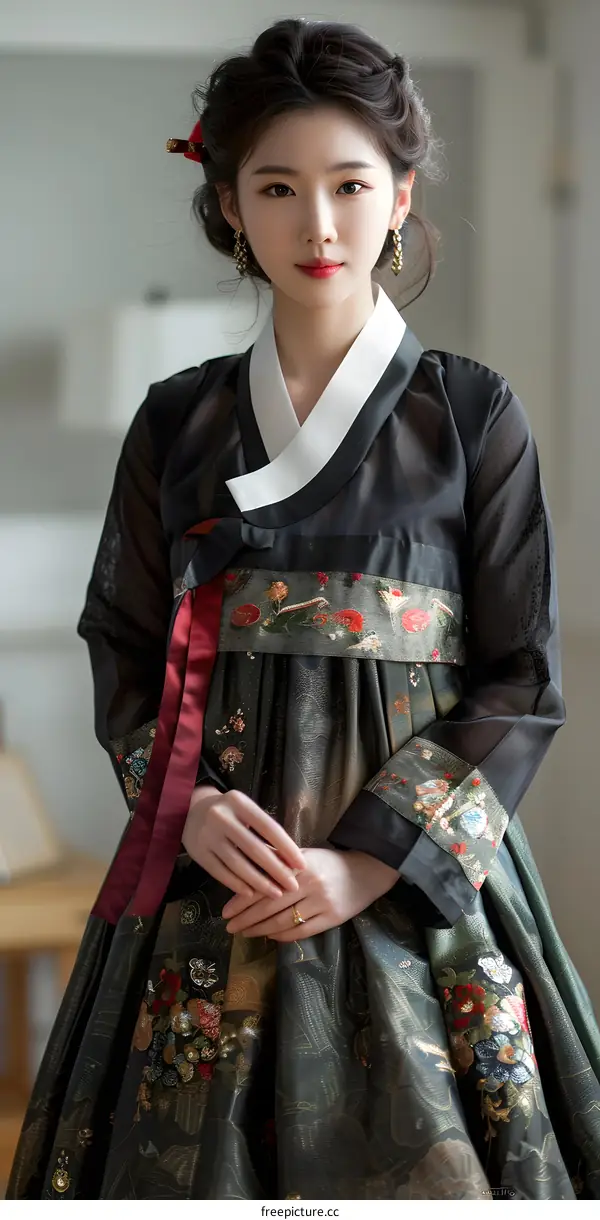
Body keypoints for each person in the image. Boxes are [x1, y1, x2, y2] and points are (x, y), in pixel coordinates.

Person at [7, 17, 600, 1202]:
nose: (316, 225)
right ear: (229, 203)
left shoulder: (472, 416)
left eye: (348, 184)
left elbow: (518, 678)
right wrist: (187, 805)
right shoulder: (177, 422)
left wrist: (368, 865)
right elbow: (122, 639)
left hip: (409, 884)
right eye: (277, 187)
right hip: (214, 866)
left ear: (400, 195)